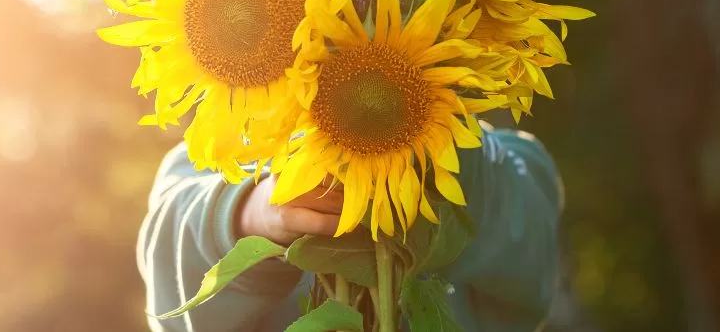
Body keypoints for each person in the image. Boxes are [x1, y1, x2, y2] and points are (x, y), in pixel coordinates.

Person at [137, 123, 564, 331]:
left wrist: (428, 142)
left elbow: (530, 249)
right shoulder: (208, 155)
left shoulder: (495, 161)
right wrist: (252, 212)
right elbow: (172, 249)